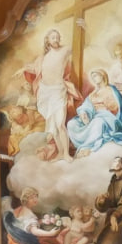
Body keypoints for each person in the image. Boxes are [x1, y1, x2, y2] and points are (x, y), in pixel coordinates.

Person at [66, 69, 122, 157]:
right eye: (93, 77)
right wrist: (84, 113)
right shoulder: (94, 92)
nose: (94, 78)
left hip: (108, 117)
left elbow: (117, 107)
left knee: (98, 122)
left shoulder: (111, 90)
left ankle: (88, 147)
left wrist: (103, 108)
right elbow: (86, 105)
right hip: (93, 116)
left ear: (102, 76)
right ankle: (83, 144)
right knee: (72, 123)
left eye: (96, 76)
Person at [33, 28, 78, 161]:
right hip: (45, 91)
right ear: (47, 40)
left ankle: (66, 154)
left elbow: (81, 44)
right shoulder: (44, 57)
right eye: (53, 37)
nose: (56, 39)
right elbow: (34, 68)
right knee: (53, 127)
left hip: (58, 90)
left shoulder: (64, 51)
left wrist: (84, 28)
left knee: (60, 124)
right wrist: (23, 68)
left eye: (58, 37)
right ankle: (59, 153)